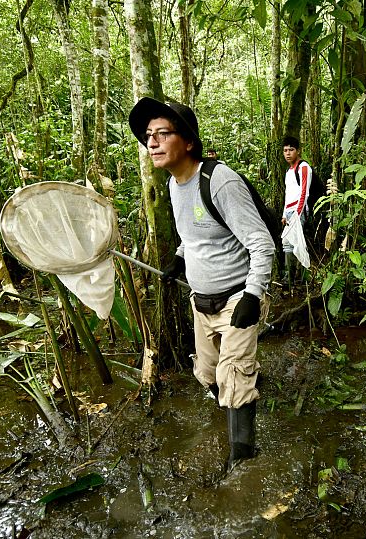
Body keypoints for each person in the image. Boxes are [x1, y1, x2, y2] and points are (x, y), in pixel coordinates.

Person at [128, 97, 275, 470]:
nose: (153, 143)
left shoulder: (220, 181)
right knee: (208, 375)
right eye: (148, 135)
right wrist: (179, 260)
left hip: (237, 299)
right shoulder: (175, 184)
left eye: (163, 133)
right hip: (201, 302)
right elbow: (197, 236)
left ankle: (243, 464)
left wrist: (253, 296)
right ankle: (241, 393)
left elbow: (261, 243)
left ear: (188, 141)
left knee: (234, 381)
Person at [281, 135, 312, 289]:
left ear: (298, 151)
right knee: (287, 244)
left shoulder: (304, 167)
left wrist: (297, 214)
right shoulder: (289, 171)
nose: (288, 153)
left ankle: (298, 279)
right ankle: (289, 278)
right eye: (285, 150)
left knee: (297, 245)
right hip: (289, 212)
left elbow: (304, 193)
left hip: (298, 211)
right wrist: (284, 214)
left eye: (291, 150)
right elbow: (288, 194)